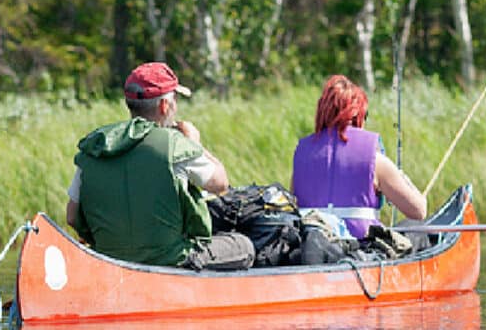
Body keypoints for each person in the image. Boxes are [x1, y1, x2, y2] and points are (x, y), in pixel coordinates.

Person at [62, 62, 255, 271]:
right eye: (176, 99)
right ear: (164, 105)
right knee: (243, 246)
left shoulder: (96, 146)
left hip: (109, 261)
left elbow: (72, 217)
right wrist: (195, 144)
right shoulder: (175, 145)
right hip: (171, 261)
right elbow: (220, 184)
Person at [290, 75, 427, 240]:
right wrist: (402, 178)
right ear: (358, 115)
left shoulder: (301, 156)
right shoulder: (376, 161)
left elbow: (294, 205)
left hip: (312, 246)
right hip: (361, 249)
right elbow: (419, 211)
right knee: (414, 227)